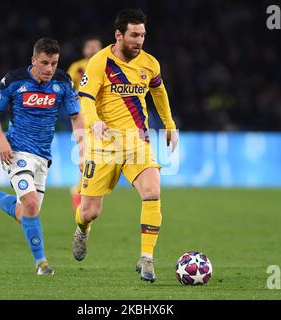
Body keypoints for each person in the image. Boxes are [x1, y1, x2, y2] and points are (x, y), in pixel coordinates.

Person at [73, 8, 178, 283]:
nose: (139, 41)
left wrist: (169, 124)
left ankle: (147, 258)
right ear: (118, 35)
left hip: (136, 142)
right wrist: (93, 121)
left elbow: (158, 90)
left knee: (153, 190)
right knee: (90, 211)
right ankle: (82, 229)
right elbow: (84, 97)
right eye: (133, 35)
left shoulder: (149, 63)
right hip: (103, 144)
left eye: (142, 35)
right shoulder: (99, 62)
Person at [0, 38, 84, 276]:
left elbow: (76, 115)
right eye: (45, 63)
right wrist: (1, 141)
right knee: (30, 203)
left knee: (27, 213)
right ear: (34, 61)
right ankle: (42, 264)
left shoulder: (63, 82)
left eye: (54, 63)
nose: (50, 69)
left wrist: (82, 147)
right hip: (16, 151)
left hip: (43, 157)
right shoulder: (14, 80)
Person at [67, 35, 103, 212]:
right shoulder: (77, 67)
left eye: (96, 47)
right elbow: (68, 90)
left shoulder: (106, 64)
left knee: (96, 157)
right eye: (90, 47)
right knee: (88, 155)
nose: (93, 50)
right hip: (83, 117)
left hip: (103, 117)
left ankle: (80, 191)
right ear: (84, 50)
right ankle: (80, 194)